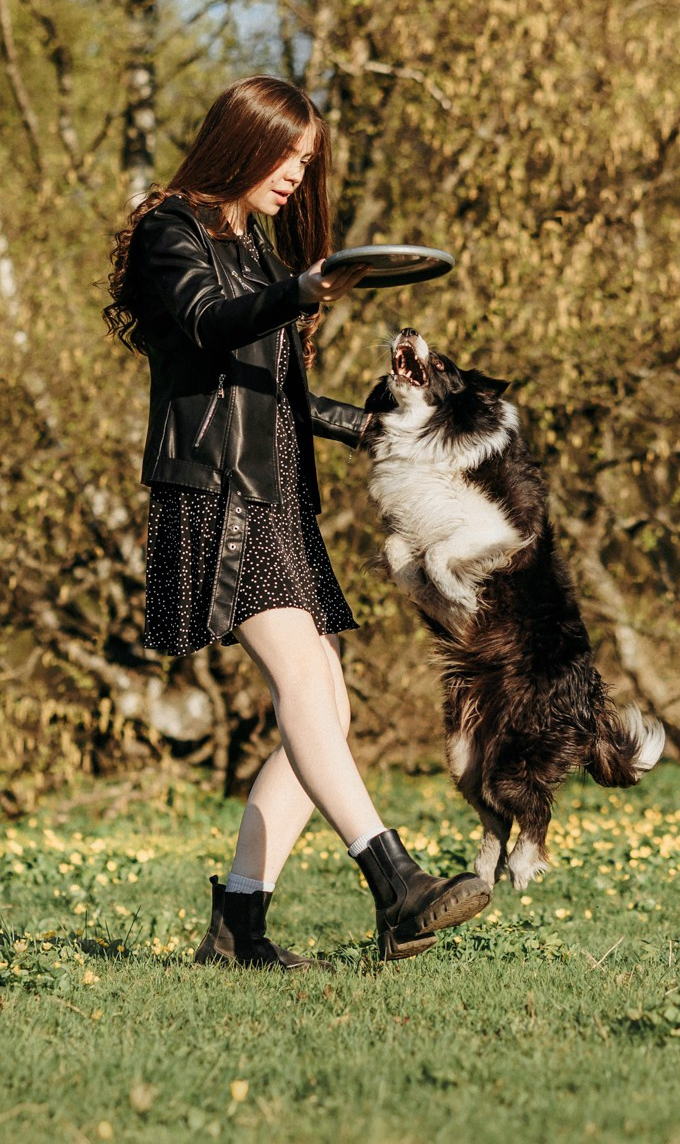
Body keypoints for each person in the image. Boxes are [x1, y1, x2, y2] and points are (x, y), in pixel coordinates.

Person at [103, 75, 492, 967]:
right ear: (244, 141)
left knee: (328, 703)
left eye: (306, 162)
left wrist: (384, 415)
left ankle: (239, 927)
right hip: (214, 499)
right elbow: (206, 324)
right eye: (286, 155)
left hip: (278, 502)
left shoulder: (261, 254)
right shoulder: (175, 230)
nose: (295, 175)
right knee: (307, 691)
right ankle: (395, 883)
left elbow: (275, 394)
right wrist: (306, 289)